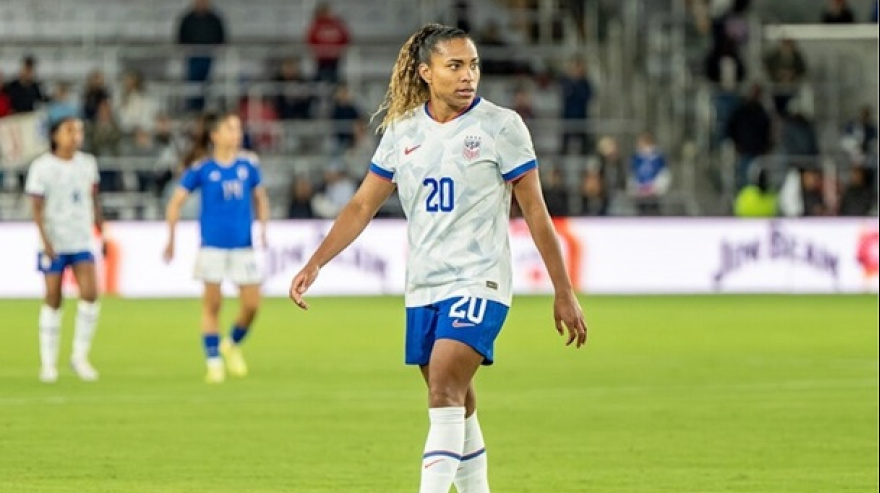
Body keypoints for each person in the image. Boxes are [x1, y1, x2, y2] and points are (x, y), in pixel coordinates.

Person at [288, 24, 587, 493]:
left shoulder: (502, 126)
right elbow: (362, 205)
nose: (468, 75)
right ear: (427, 72)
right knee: (458, 404)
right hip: (425, 285)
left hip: (480, 280)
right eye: (455, 66)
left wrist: (563, 290)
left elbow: (535, 211)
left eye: (473, 65)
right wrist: (316, 262)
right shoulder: (403, 130)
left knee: (444, 389)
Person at [163, 112, 270, 383]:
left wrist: (264, 228)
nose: (236, 133)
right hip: (212, 246)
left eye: (238, 128)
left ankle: (231, 344)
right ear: (215, 135)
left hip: (243, 246)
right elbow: (175, 202)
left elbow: (261, 198)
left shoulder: (248, 165)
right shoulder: (202, 168)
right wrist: (171, 238)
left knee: (252, 304)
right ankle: (213, 362)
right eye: (230, 128)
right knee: (212, 305)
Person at [24, 116, 104, 383]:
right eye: (69, 130)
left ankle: (79, 357)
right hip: (55, 240)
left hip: (81, 238)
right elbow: (36, 207)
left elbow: (93, 196)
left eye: (79, 130)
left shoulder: (87, 163)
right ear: (55, 135)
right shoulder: (42, 167)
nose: (76, 135)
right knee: (53, 297)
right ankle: (48, 363)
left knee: (90, 294)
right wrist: (45, 240)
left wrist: (100, 226)